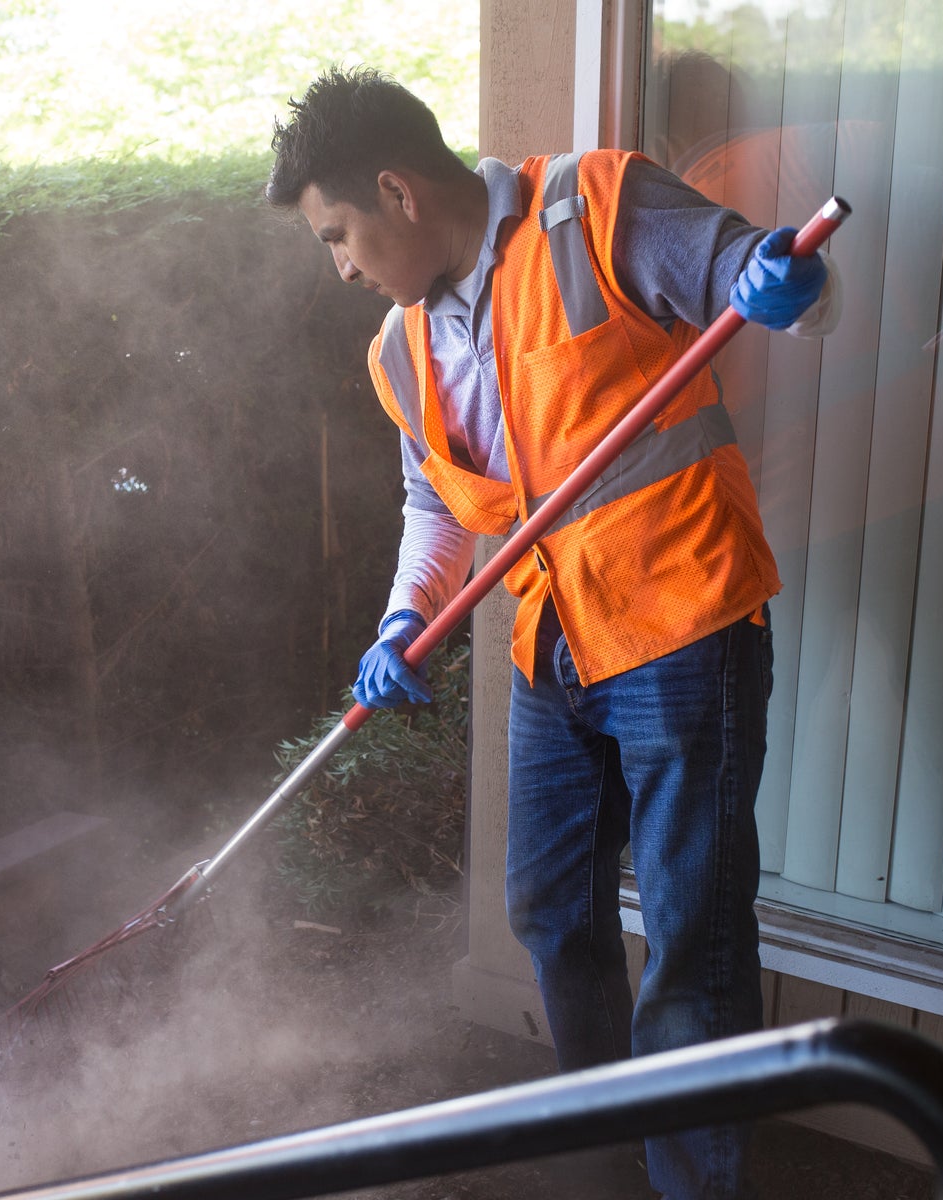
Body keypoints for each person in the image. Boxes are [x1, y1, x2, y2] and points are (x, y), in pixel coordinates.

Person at [267, 67, 839, 1200]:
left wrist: (794, 283)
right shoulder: (400, 351)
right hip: (554, 645)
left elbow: (765, 277)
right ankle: (612, 1145)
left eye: (337, 236)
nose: (341, 268)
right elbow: (436, 506)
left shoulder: (596, 209)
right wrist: (403, 617)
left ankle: (694, 1185)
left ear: (397, 193)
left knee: (691, 937)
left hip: (684, 622)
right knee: (548, 905)